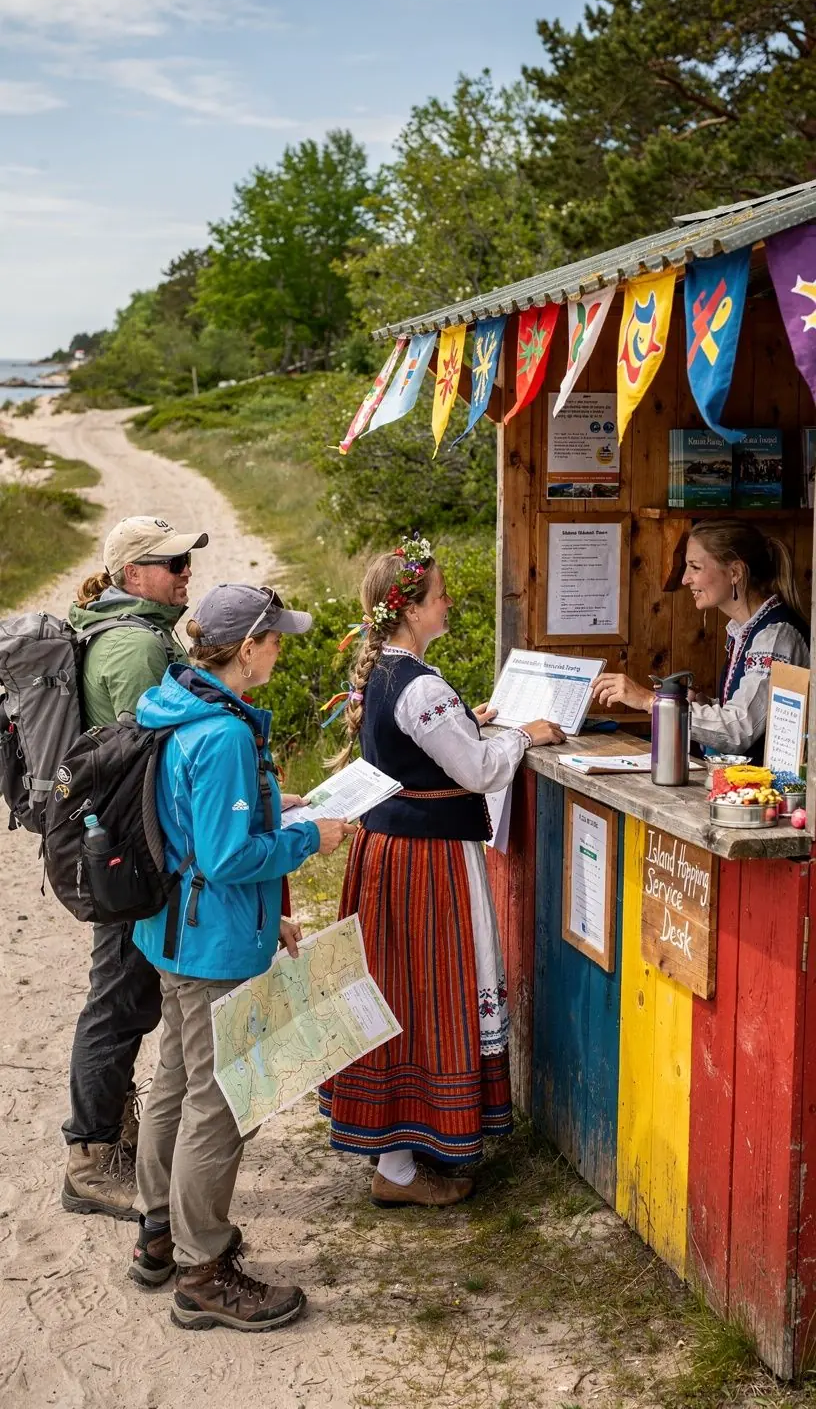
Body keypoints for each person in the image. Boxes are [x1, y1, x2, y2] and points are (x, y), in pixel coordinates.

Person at [127, 584, 353, 1332]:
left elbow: (192, 826)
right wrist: (308, 838)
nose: (281, 650)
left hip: (174, 932)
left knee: (177, 1081)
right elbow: (225, 857)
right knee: (220, 1102)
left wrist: (273, 830)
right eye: (276, 639)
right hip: (211, 945)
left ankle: (159, 1234)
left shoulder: (176, 701)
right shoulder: (223, 733)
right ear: (247, 647)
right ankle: (202, 1271)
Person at [318, 535, 566, 1208]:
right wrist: (525, 735)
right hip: (425, 863)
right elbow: (479, 770)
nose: (449, 603)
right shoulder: (420, 685)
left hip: (392, 853)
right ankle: (398, 1170)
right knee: (422, 994)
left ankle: (398, 1152)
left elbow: (426, 746)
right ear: (409, 610)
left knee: (398, 992)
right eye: (439, 595)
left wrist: (468, 723)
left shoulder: (386, 671)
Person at [62, 515, 208, 1220]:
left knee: (125, 994)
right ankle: (90, 1160)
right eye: (172, 562)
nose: (185, 571)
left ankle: (111, 1136)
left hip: (123, 845)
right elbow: (154, 760)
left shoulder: (137, 633)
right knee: (118, 998)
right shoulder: (134, 646)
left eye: (185, 560)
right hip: (129, 852)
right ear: (132, 575)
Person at [593, 519, 810, 760]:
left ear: (735, 572)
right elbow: (749, 713)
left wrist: (650, 701)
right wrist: (700, 703)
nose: (685, 579)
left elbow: (739, 730)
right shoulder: (746, 630)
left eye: (695, 567)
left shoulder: (776, 636)